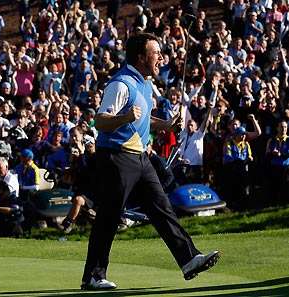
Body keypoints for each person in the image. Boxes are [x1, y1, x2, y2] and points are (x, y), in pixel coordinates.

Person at [81, 33, 220, 290]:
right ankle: (93, 276)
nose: (161, 58)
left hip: (140, 157)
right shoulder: (120, 84)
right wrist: (122, 119)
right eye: (156, 53)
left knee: (162, 207)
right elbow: (101, 121)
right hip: (116, 157)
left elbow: (142, 117)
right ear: (141, 57)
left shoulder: (144, 83)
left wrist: (165, 124)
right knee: (109, 218)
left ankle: (189, 259)